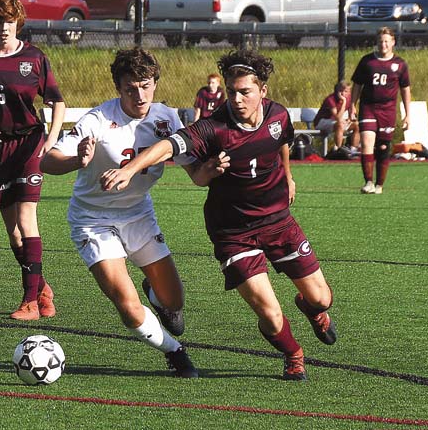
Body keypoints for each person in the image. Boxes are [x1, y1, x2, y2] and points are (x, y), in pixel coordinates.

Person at [101, 49, 337, 381]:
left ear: (263, 91)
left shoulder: (278, 115)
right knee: (270, 315)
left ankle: (313, 310)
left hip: (278, 221)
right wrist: (129, 169)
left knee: (321, 298)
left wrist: (288, 174)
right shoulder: (214, 127)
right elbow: (168, 146)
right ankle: (293, 354)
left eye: (245, 92)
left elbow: (282, 142)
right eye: (231, 91)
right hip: (233, 232)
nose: (237, 100)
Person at [40, 47, 198, 378]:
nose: (139, 95)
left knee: (174, 301)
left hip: (139, 214)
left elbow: (194, 169)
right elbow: (47, 161)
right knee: (127, 306)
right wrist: (77, 160)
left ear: (155, 83)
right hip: (93, 220)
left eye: (146, 86)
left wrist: (216, 166)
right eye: (130, 88)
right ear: (119, 88)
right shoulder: (98, 119)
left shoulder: (166, 118)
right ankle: (175, 352)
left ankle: (156, 294)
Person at [0, 0, 66, 321]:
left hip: (29, 143)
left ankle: (29, 302)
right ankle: (42, 288)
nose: (4, 27)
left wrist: (51, 139)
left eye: (10, 21)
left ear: (18, 22)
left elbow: (57, 102)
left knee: (26, 218)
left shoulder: (34, 57)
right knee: (14, 233)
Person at [351, 26, 411, 195]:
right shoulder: (367, 61)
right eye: (380, 41)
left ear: (393, 42)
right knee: (366, 142)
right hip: (368, 107)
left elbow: (405, 89)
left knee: (383, 147)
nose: (383, 45)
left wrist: (408, 114)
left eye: (386, 41)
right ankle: (368, 182)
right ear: (376, 43)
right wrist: (352, 105)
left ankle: (379, 184)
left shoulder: (400, 64)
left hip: (388, 110)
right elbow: (357, 85)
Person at [313, 80, 360, 156]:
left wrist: (349, 120)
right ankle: (339, 150)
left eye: (346, 91)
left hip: (335, 122)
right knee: (340, 124)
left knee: (357, 125)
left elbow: (352, 114)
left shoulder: (350, 98)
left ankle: (353, 150)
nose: (343, 93)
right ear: (337, 90)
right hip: (321, 122)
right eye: (341, 91)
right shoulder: (330, 99)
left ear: (349, 92)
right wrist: (344, 102)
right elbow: (337, 117)